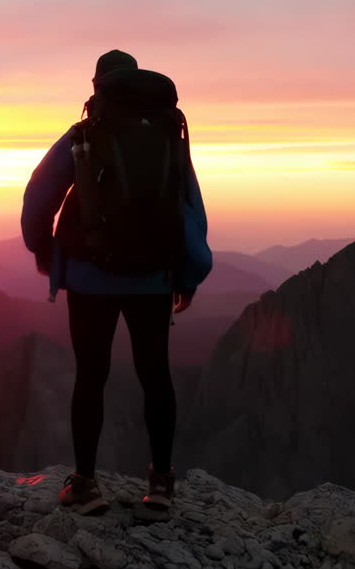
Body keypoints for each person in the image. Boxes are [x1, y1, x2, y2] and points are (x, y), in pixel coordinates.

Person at [20, 49, 213, 517]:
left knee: (91, 375)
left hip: (90, 275)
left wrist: (45, 252)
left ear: (98, 86)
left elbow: (38, 197)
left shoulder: (86, 134)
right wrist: (189, 273)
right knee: (155, 375)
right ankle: (161, 485)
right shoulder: (168, 134)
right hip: (153, 277)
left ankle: (85, 485)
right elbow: (188, 206)